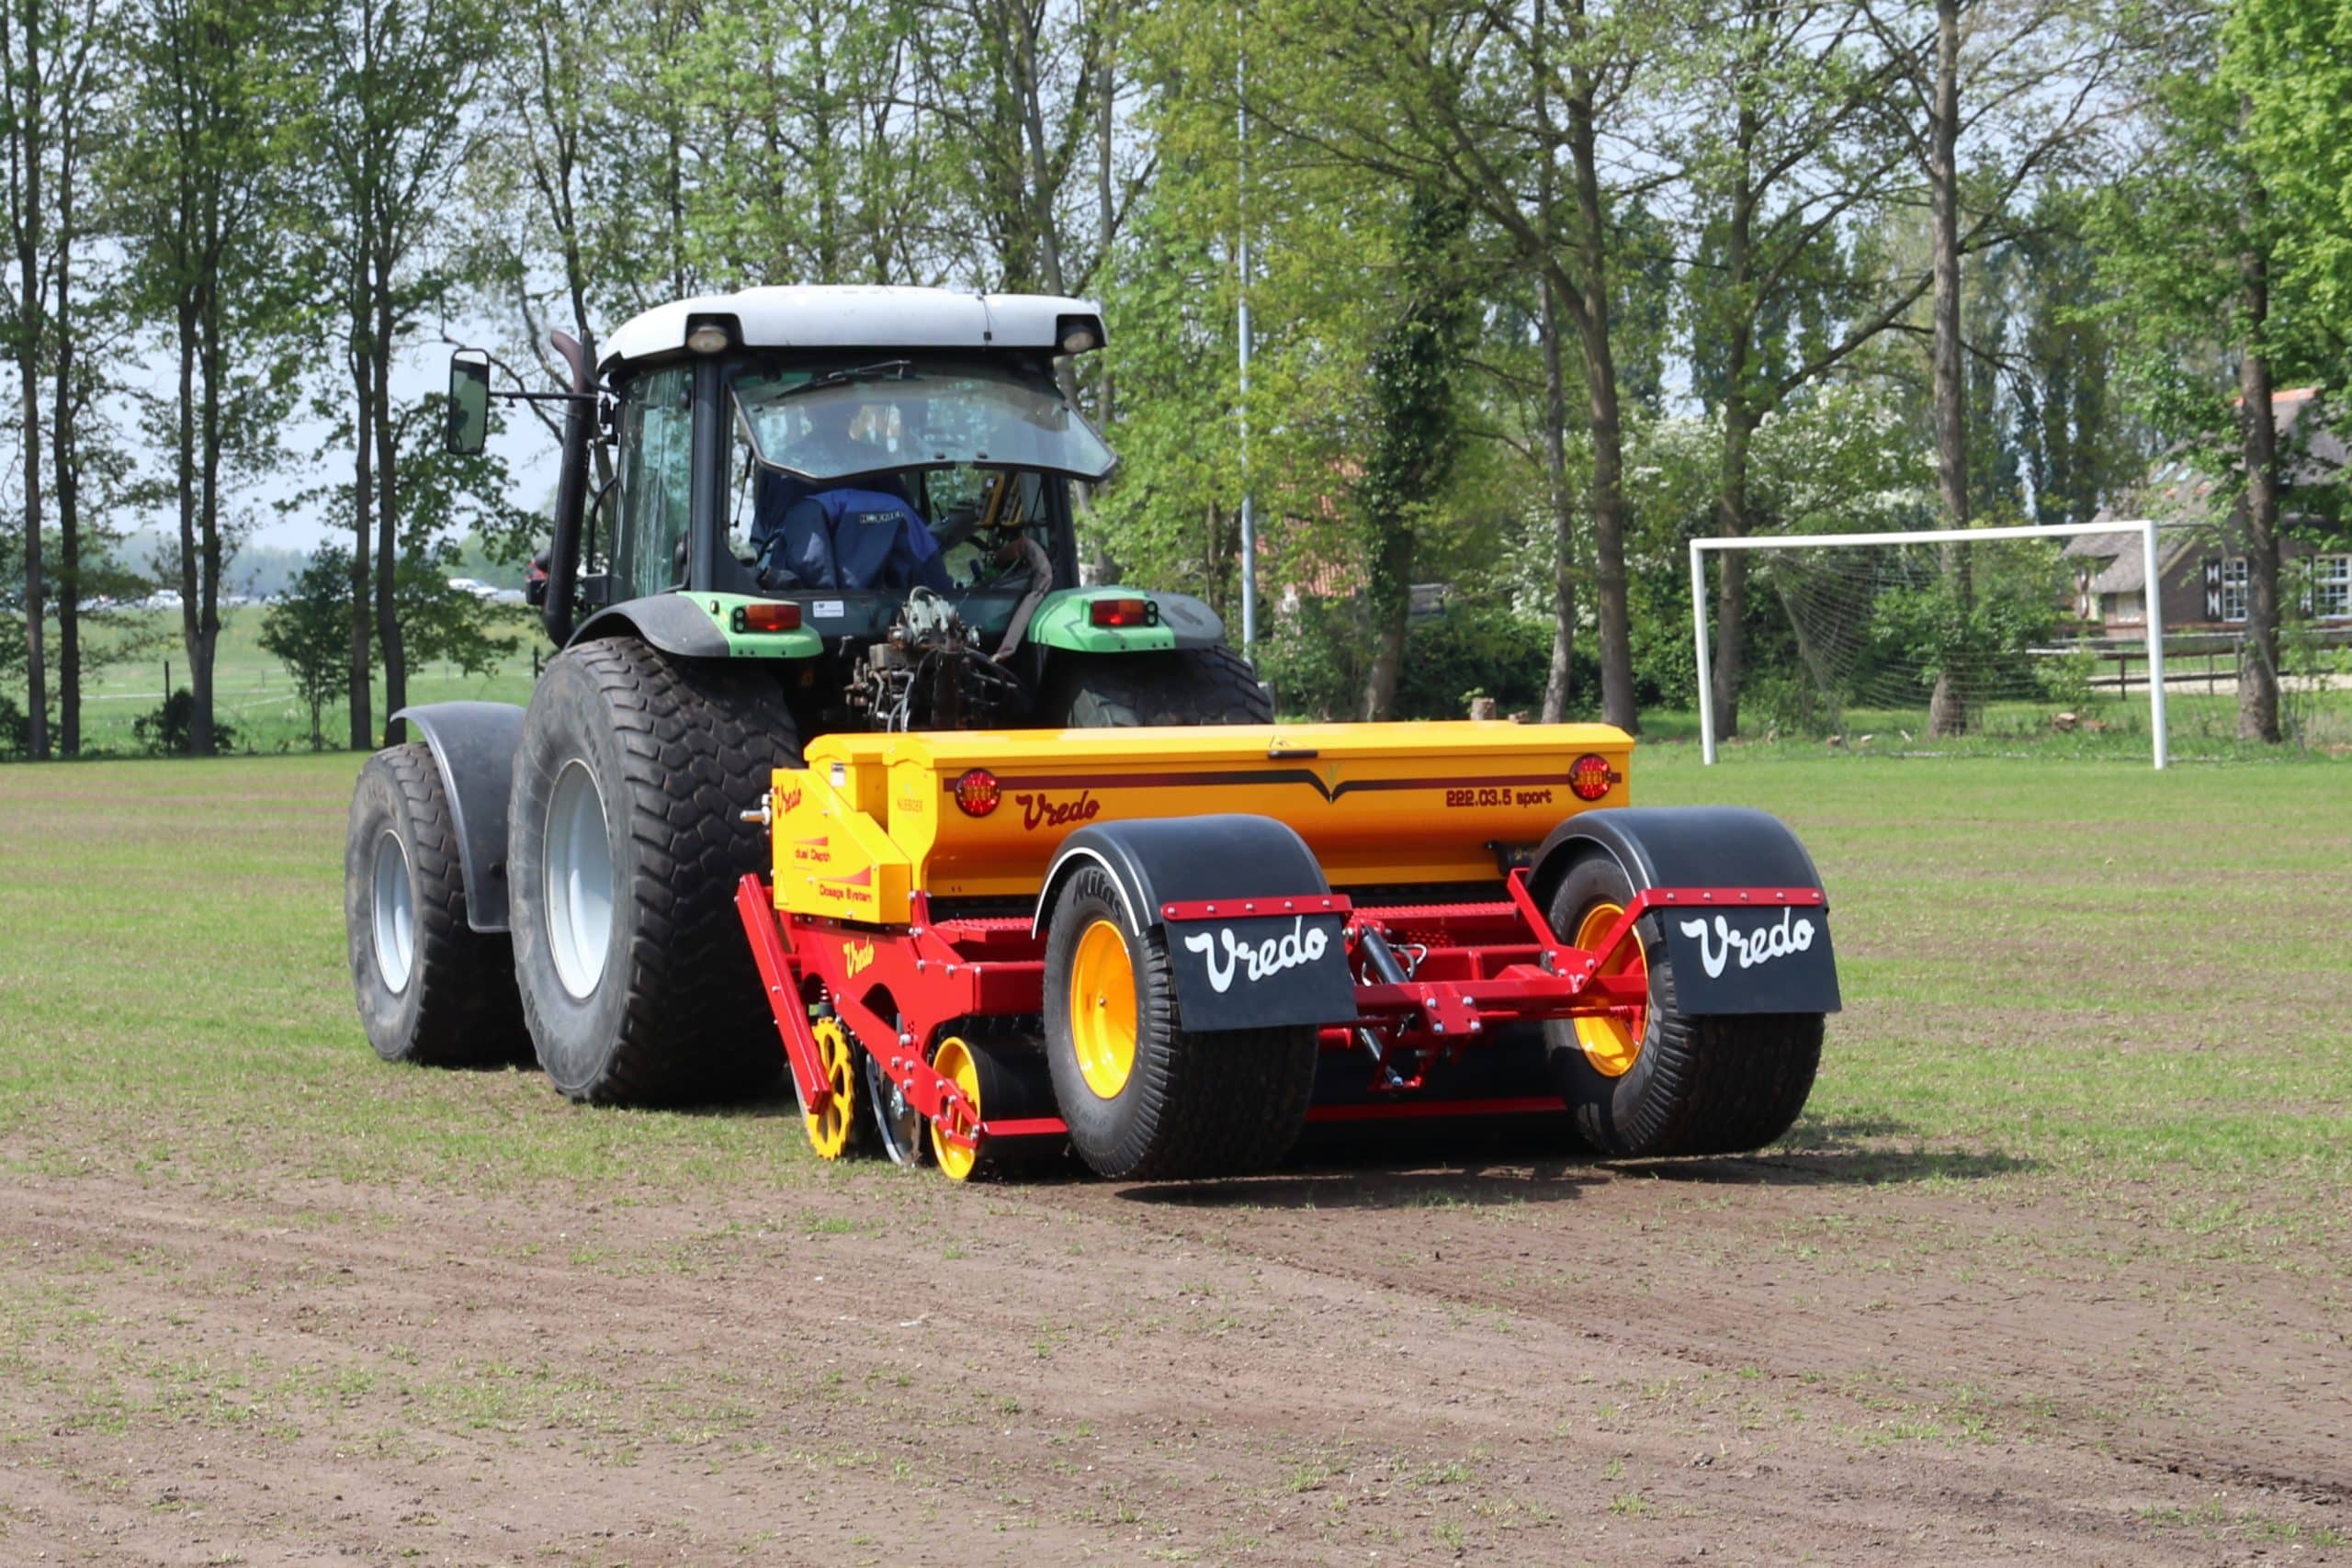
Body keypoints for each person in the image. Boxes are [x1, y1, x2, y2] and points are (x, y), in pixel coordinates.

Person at [750, 397, 948, 593]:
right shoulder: (877, 462)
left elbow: (762, 541)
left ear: (807, 412)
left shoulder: (777, 466)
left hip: (791, 595)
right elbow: (912, 532)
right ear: (855, 411)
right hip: (884, 602)